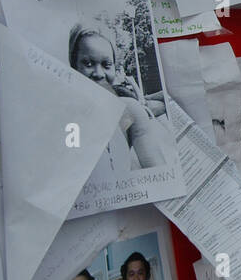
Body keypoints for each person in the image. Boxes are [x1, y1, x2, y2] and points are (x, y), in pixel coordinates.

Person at [68, 23, 167, 170]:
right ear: (74, 66)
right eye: (88, 63)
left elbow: (157, 169)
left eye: (106, 65)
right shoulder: (67, 115)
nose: (99, 73)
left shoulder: (129, 111)